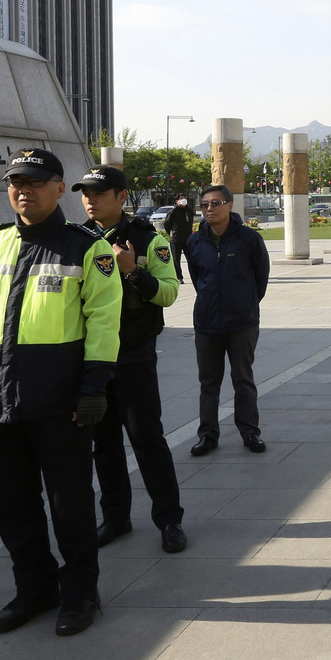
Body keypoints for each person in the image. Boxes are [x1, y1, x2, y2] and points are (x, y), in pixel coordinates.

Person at [0, 148, 122, 636]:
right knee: (13, 507)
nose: (22, 190)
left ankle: (80, 594)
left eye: (34, 181)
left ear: (58, 188)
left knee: (70, 506)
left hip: (60, 405)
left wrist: (94, 388)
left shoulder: (87, 248)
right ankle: (34, 589)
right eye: (14, 182)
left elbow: (104, 323)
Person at [75, 166, 186, 554]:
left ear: (122, 197)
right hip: (91, 359)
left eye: (99, 193)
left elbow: (169, 293)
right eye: (85, 193)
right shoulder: (78, 239)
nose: (90, 200)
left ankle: (169, 519)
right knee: (103, 443)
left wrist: (133, 270)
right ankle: (116, 517)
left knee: (146, 438)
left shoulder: (147, 238)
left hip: (134, 354)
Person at [184, 183, 270, 455]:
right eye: (205, 205)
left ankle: (250, 432)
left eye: (215, 203)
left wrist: (244, 303)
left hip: (241, 323)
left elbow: (261, 278)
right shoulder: (195, 241)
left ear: (229, 206)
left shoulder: (248, 238)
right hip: (207, 324)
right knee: (208, 382)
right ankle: (208, 435)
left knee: (243, 379)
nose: (209, 209)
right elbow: (199, 279)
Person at [164, 195, 195, 283]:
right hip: (176, 239)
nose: (183, 200)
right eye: (181, 198)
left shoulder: (189, 211)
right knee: (176, 259)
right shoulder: (173, 212)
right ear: (177, 201)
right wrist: (172, 233)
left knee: (191, 259)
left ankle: (194, 275)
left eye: (184, 198)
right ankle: (179, 277)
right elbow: (167, 224)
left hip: (188, 239)